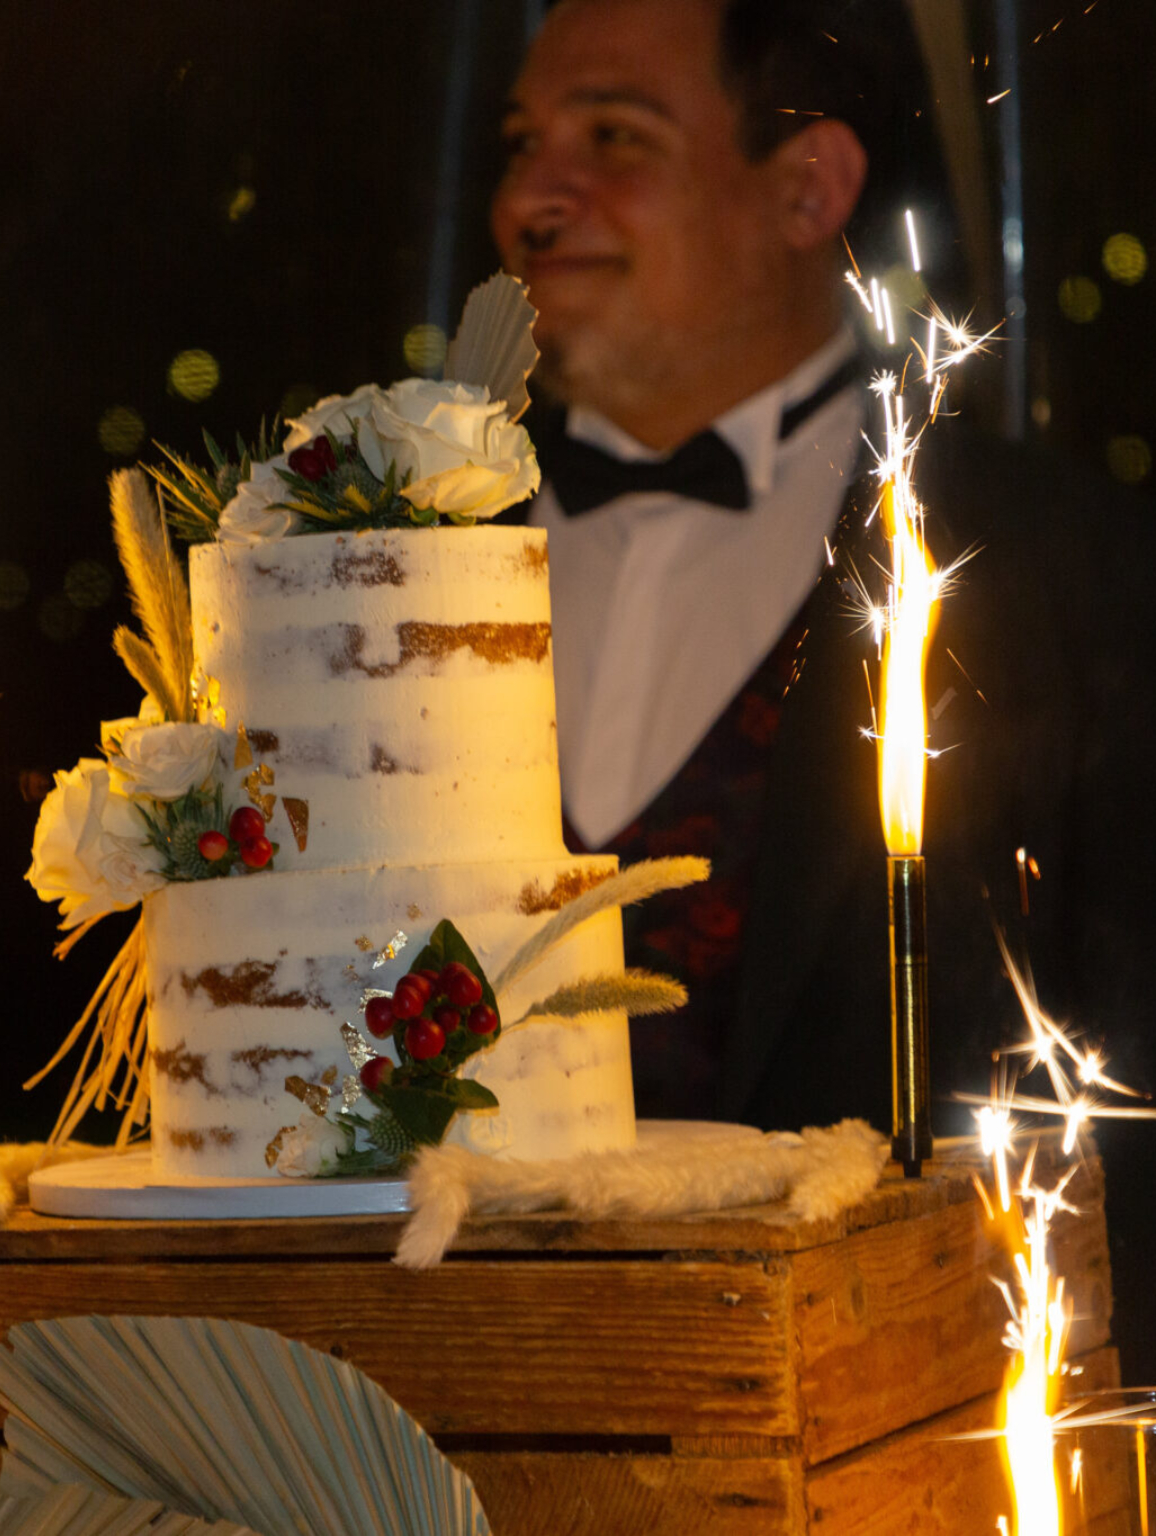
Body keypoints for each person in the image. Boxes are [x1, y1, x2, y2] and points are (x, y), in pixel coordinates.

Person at [488, 0, 1156, 1198]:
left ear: (809, 191)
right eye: (522, 144)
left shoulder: (1066, 576)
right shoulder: (406, 554)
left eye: (615, 139)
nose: (530, 201)